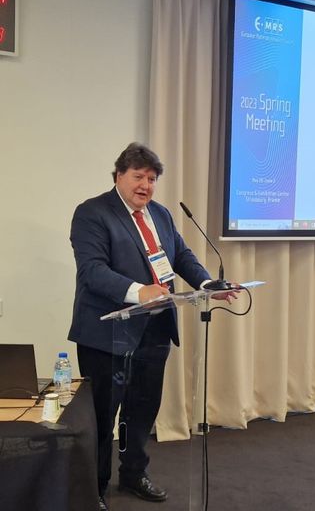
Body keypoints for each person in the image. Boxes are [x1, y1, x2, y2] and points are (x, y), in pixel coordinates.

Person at [68, 142, 236, 511]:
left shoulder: (159, 213)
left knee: (142, 410)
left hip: (155, 329)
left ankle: (133, 473)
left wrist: (207, 283)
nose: (146, 185)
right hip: (107, 334)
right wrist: (138, 291)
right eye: (138, 177)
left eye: (152, 179)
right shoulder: (92, 213)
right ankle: (95, 486)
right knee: (102, 416)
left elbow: (181, 256)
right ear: (119, 176)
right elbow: (92, 271)